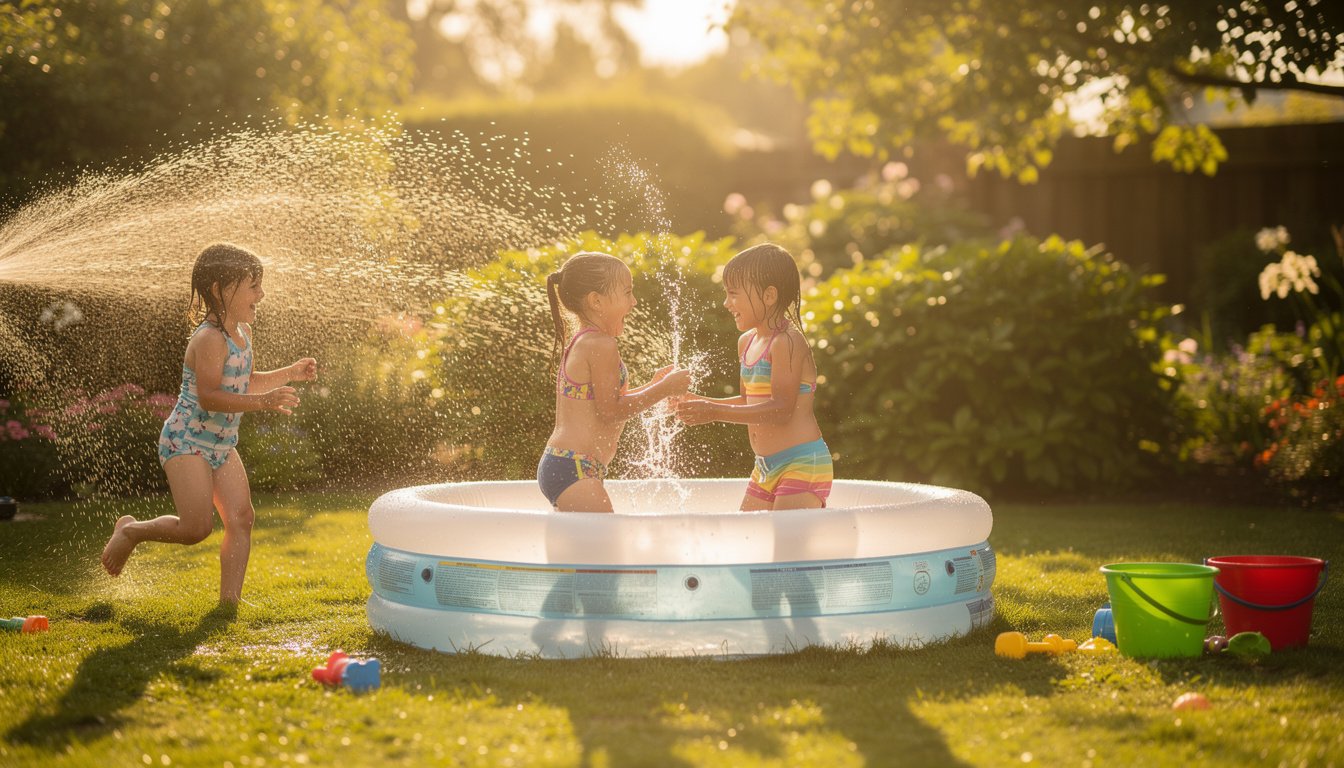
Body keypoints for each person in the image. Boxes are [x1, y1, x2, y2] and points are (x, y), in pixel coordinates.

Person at [100, 243, 318, 604]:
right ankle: (131, 531)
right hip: (186, 442)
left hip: (219, 444)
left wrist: (289, 373)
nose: (260, 294)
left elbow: (243, 381)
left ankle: (228, 603)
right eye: (253, 285)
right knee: (195, 528)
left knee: (242, 517)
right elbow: (210, 396)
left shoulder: (241, 335)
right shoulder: (209, 338)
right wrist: (262, 404)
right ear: (221, 289)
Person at [676, 243, 832, 510]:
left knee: (787, 551)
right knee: (749, 545)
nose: (726, 303)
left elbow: (781, 409)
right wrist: (698, 402)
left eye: (733, 294)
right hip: (765, 467)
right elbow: (750, 402)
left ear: (769, 295)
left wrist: (713, 411)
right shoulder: (746, 342)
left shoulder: (787, 342)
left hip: (801, 463)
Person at [538, 251, 690, 512]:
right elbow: (611, 411)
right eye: (627, 292)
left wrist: (654, 385)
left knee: (586, 551)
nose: (634, 302)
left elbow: (607, 404)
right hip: (574, 468)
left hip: (567, 465)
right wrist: (665, 388)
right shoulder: (600, 344)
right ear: (596, 300)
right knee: (608, 549)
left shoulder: (584, 340)